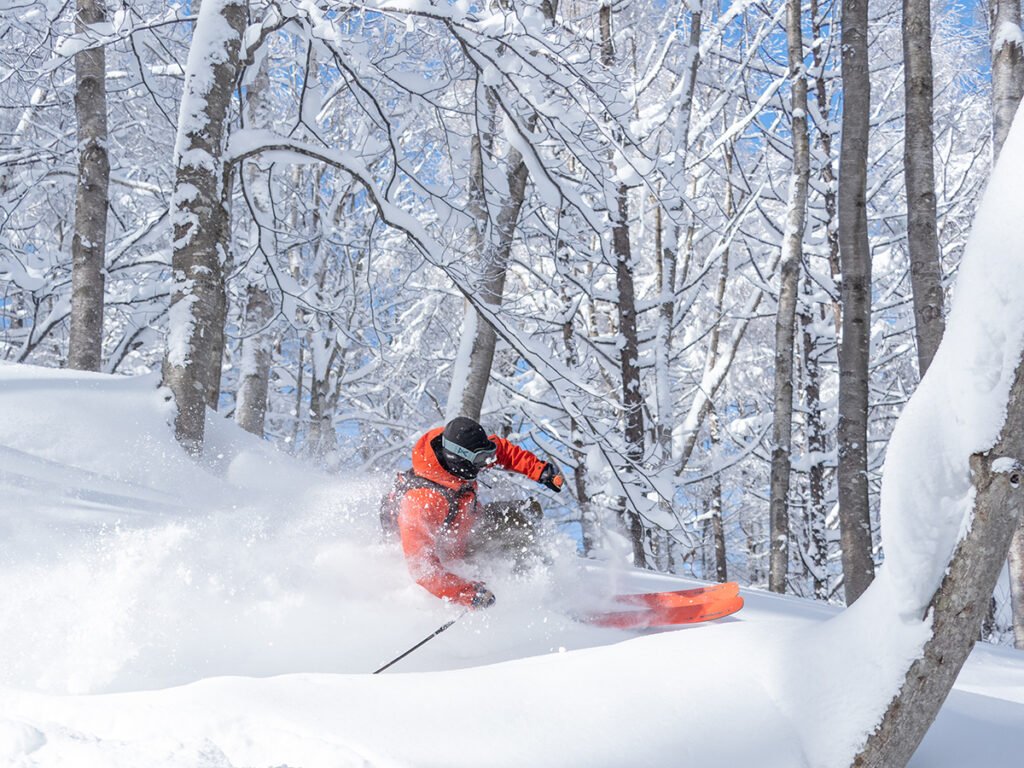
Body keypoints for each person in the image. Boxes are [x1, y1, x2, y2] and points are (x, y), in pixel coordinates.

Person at [396, 416, 564, 609]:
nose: (488, 462)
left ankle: (552, 590)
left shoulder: (462, 452)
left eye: (488, 455)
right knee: (515, 543)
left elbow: (502, 451)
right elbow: (422, 569)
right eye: (482, 459)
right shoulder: (421, 502)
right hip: (449, 555)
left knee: (527, 513)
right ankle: (538, 603)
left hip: (470, 524)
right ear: (458, 460)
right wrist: (466, 592)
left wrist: (538, 470)